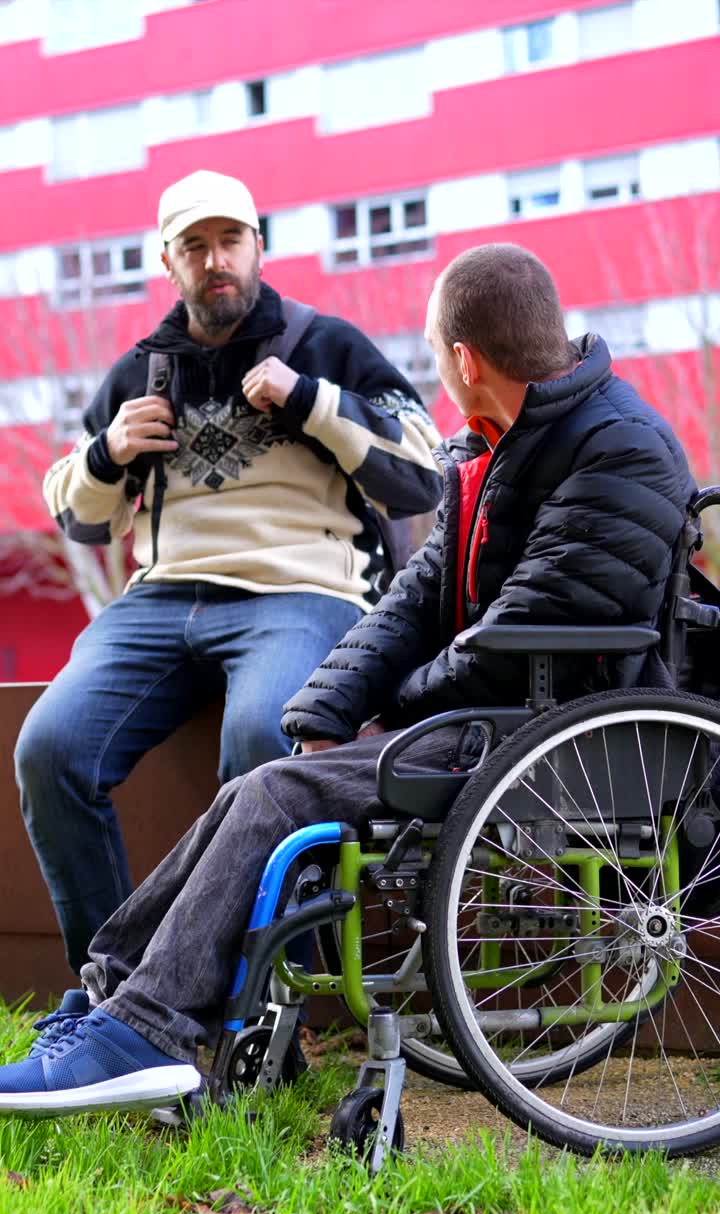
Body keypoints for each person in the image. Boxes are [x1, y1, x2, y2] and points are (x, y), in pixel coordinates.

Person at [0, 243, 695, 1114]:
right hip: (503, 712)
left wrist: (387, 715)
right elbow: (412, 602)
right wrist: (328, 705)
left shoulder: (616, 449)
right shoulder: (503, 446)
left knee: (275, 799)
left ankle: (147, 1031)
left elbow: (524, 633)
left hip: (558, 732)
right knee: (264, 780)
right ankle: (113, 998)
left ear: (463, 361)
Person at [13, 169, 442, 978]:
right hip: (163, 597)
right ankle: (115, 994)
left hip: (303, 592)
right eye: (195, 246)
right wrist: (109, 452)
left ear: (258, 245)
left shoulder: (326, 344)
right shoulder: (140, 373)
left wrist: (312, 400)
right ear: (168, 264)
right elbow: (78, 517)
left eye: (230, 240)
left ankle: (266, 995)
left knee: (262, 737)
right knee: (49, 749)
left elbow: (422, 470)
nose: (216, 260)